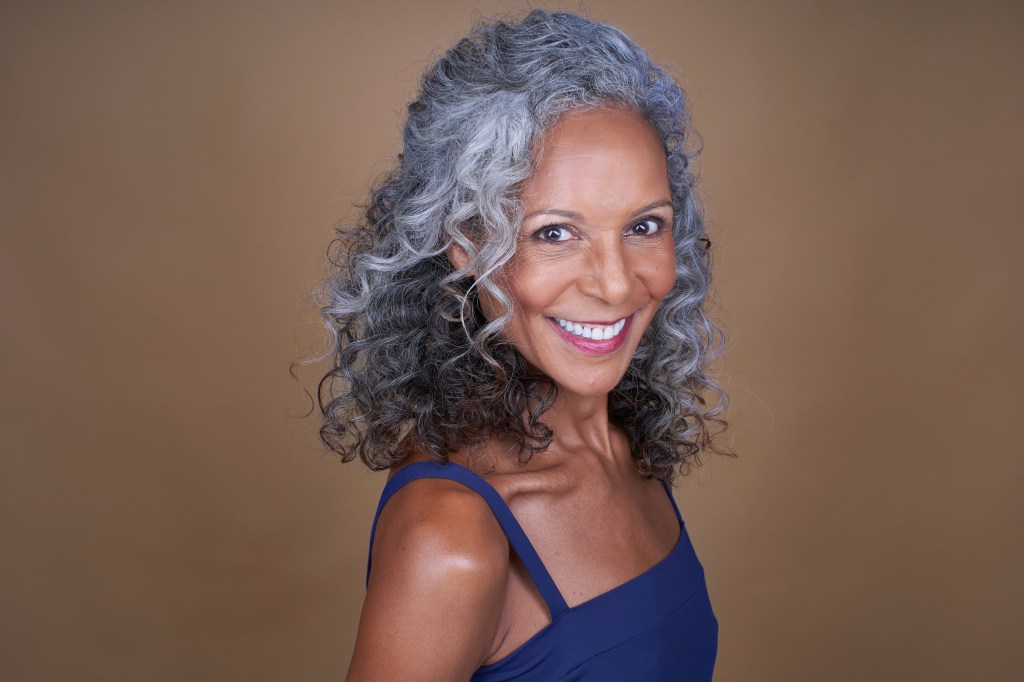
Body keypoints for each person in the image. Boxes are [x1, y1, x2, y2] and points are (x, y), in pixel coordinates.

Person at [316, 9, 727, 681]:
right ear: (465, 243)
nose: (616, 283)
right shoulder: (451, 536)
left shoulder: (625, 444)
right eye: (555, 233)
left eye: (644, 226)